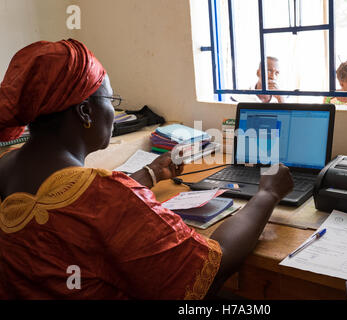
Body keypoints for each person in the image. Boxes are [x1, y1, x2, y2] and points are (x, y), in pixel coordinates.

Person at [0, 39, 293, 299]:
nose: (114, 112)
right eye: (112, 101)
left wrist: (146, 177)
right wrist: (268, 193)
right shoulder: (107, 196)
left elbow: (76, 209)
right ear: (86, 111)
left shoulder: (8, 165)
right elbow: (213, 267)